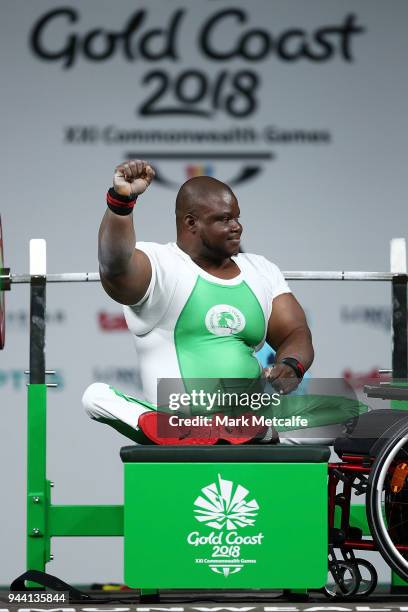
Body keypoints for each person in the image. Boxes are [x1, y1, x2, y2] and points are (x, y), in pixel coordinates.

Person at [83, 160, 365, 444]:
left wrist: (292, 366)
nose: (237, 227)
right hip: (181, 416)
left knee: (346, 410)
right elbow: (115, 265)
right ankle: (205, 432)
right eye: (224, 219)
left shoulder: (261, 270)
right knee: (96, 397)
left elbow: (295, 332)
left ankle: (244, 433)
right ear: (191, 223)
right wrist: (121, 202)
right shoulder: (161, 263)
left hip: (249, 417)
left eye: (237, 218)